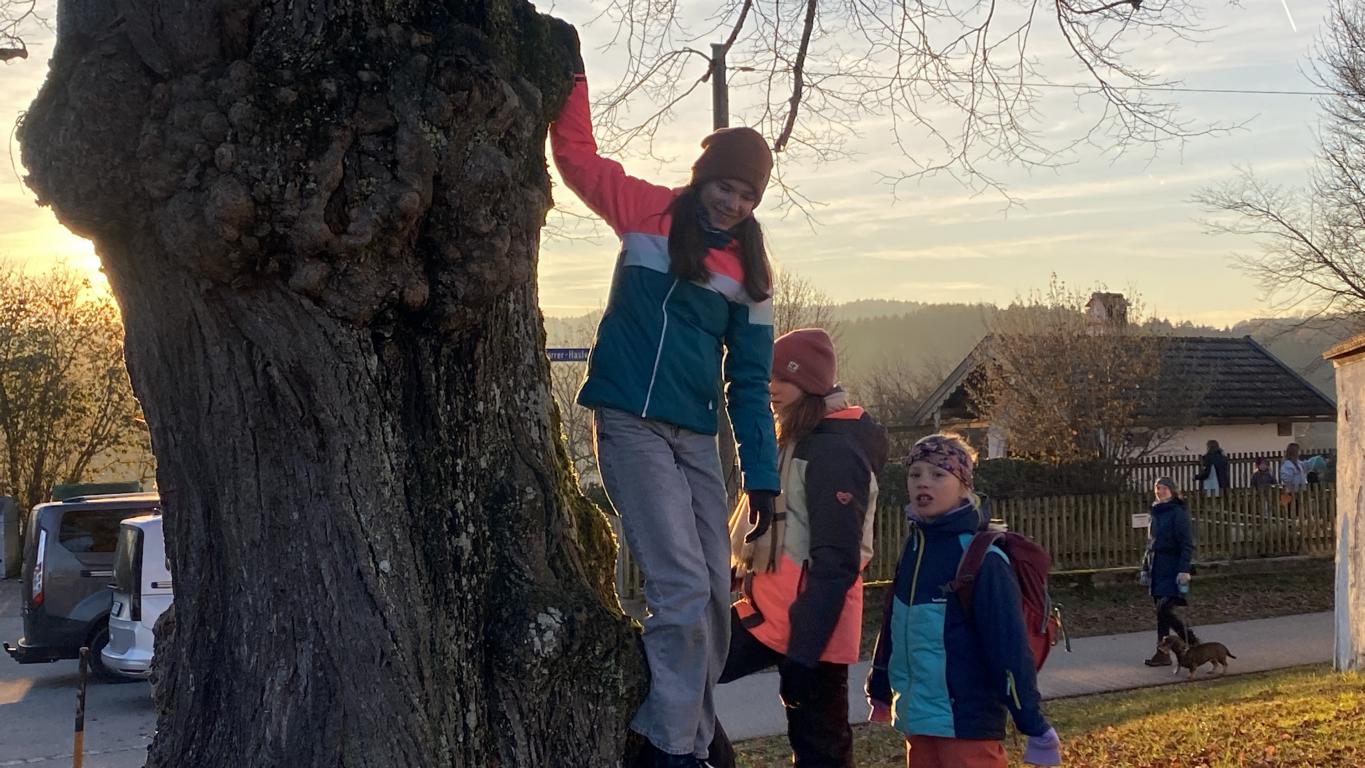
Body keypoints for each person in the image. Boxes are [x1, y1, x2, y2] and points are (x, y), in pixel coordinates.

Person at [551, 43, 780, 768]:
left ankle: (687, 736)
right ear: (703, 178)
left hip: (694, 439)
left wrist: (763, 481)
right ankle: (671, 749)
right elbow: (579, 159)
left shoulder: (750, 275)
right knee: (679, 585)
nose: (732, 203)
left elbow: (750, 385)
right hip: (629, 422)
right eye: (725, 187)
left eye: (747, 196)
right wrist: (572, 75)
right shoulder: (647, 211)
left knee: (714, 594)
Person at [710, 328, 889, 768]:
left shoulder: (834, 452)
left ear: (808, 382)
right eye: (767, 377)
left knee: (820, 749)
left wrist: (806, 646)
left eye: (782, 378)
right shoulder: (792, 438)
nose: (770, 387)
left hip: (813, 625)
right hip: (767, 611)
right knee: (682, 674)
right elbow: (778, 529)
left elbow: (837, 558)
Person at [866, 434, 1061, 768]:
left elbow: (1008, 647)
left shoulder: (982, 557)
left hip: (967, 725)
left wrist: (1031, 721)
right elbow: (893, 623)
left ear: (963, 486)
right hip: (918, 720)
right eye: (915, 474)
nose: (923, 483)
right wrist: (880, 687)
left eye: (938, 474)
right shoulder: (913, 550)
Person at [1140, 477, 1198, 667]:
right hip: (1157, 566)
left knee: (1164, 610)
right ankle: (1162, 653)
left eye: (1164, 488)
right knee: (1161, 613)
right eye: (1157, 488)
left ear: (1172, 491)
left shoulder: (1177, 513)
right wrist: (1145, 567)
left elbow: (1186, 543)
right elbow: (1151, 543)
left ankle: (1192, 642)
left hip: (1173, 566)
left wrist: (1183, 569)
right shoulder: (1155, 512)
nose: (1160, 491)